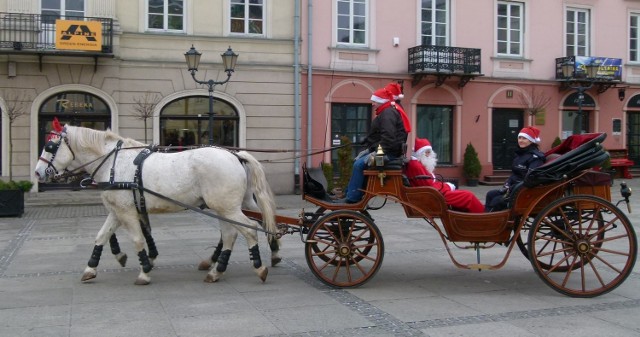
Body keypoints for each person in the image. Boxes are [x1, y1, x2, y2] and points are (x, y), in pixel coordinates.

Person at [337, 83, 411, 203]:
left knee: (358, 165)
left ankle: (352, 197)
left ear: (381, 101)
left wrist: (377, 153)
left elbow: (388, 138)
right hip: (387, 150)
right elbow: (380, 134)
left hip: (388, 153)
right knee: (357, 161)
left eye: (374, 101)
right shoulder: (386, 112)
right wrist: (367, 140)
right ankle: (349, 192)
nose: (372, 104)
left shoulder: (388, 113)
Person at [405, 138, 484, 213]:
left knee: (466, 194)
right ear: (420, 153)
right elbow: (428, 186)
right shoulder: (416, 166)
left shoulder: (417, 164)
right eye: (427, 152)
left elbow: (427, 184)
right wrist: (447, 186)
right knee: (468, 196)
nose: (429, 155)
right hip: (433, 196)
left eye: (429, 152)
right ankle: (483, 216)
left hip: (433, 193)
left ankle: (478, 214)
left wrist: (445, 185)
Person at [485, 126, 546, 212]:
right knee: (490, 194)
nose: (521, 140)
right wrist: (507, 183)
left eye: (524, 138)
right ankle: (486, 218)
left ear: (531, 140)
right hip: (514, 188)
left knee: (496, 201)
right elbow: (514, 174)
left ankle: (492, 221)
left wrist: (511, 188)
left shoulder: (535, 157)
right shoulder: (521, 154)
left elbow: (530, 178)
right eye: (519, 138)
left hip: (523, 191)